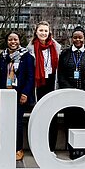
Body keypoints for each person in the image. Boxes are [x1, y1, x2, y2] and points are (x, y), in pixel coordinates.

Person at [57, 26, 85, 159]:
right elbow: (61, 74)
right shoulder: (65, 53)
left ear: (84, 38)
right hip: (69, 95)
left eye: (80, 37)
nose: (77, 39)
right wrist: (69, 89)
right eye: (75, 37)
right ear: (72, 38)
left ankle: (83, 149)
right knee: (70, 122)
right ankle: (72, 149)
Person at [0, 31, 34, 161]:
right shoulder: (2, 56)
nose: (13, 42)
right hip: (5, 93)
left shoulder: (27, 57)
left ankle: (18, 148)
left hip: (19, 94)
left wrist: (25, 93)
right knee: (5, 121)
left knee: (17, 122)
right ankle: (5, 147)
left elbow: (30, 77)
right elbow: (0, 75)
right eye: (10, 40)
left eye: (15, 39)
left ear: (19, 41)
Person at [27, 21, 61, 151]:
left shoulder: (56, 47)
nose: (43, 33)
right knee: (39, 116)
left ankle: (51, 147)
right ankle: (38, 146)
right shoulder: (30, 49)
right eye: (41, 30)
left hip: (52, 84)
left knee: (53, 116)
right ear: (36, 32)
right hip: (38, 86)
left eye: (46, 31)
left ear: (49, 33)